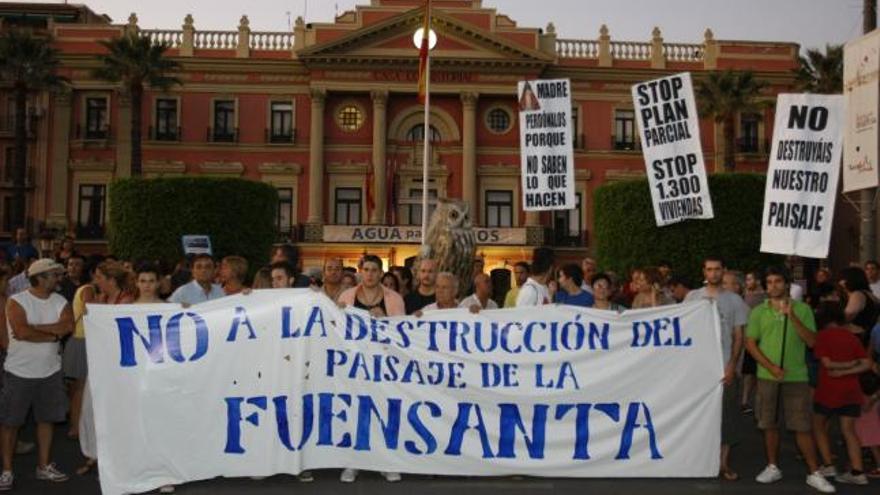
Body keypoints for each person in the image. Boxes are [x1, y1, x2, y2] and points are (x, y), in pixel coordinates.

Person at [744, 266, 835, 493]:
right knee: (769, 424)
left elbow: (812, 342)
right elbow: (750, 343)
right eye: (770, 282)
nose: (773, 286)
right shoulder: (758, 312)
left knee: (801, 426)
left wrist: (792, 316)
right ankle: (773, 466)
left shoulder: (803, 309)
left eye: (778, 281)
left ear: (786, 284)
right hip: (767, 376)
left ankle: (814, 472)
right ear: (766, 286)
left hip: (796, 377)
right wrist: (771, 367)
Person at [0, 259, 73, 490]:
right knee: (11, 423)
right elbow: (20, 332)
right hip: (18, 371)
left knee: (46, 420)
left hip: (50, 371)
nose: (58, 278)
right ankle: (7, 471)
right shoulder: (17, 300)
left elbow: (67, 326)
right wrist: (53, 334)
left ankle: (43, 467)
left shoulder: (61, 300)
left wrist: (36, 330)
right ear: (40, 277)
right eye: (54, 275)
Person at [336, 254, 403, 483]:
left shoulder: (393, 298)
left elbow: (401, 335)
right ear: (360, 271)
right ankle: (353, 463)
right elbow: (336, 328)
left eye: (375, 270)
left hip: (384, 365)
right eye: (367, 269)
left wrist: (385, 321)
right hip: (354, 365)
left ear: (380, 273)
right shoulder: (346, 296)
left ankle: (386, 462)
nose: (370, 274)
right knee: (356, 411)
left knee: (384, 411)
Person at [684, 257, 749, 482]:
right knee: (697, 416)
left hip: (724, 368)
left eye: (717, 269)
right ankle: (697, 460)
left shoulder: (735, 301)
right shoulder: (692, 297)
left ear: (723, 271)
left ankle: (723, 463)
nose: (713, 273)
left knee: (727, 417)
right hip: (697, 370)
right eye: (709, 269)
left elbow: (739, 337)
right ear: (704, 271)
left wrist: (732, 365)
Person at [77, 261, 134, 477]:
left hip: (118, 365)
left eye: (99, 277)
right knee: (90, 407)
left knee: (117, 409)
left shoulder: (126, 301)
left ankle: (117, 454)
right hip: (99, 361)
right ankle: (94, 452)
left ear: (111, 280)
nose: (95, 281)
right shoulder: (101, 299)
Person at [810, 301, 871, 485]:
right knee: (849, 431)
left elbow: (827, 364)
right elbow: (867, 363)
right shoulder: (851, 337)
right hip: (851, 390)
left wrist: (841, 370)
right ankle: (857, 471)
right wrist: (849, 367)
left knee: (818, 425)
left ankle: (828, 463)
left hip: (828, 389)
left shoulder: (822, 336)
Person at [837, 266, 878, 346]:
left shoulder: (857, 295)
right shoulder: (868, 294)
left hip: (857, 337)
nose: (840, 282)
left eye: (842, 279)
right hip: (866, 338)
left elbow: (847, 316)